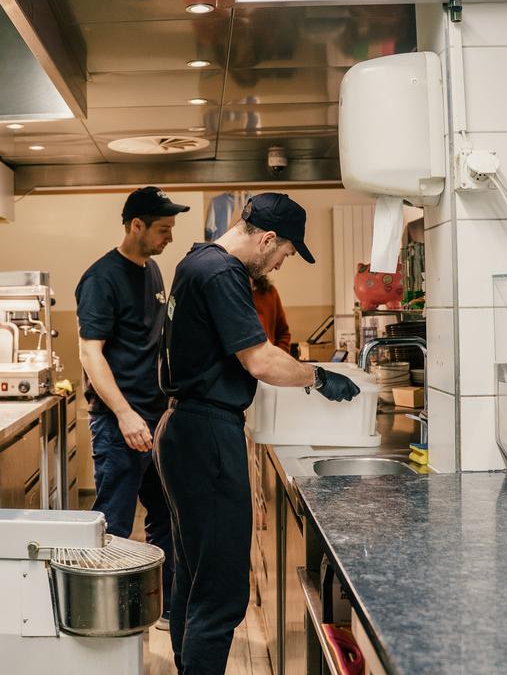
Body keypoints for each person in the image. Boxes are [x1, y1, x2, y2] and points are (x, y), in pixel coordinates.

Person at [155, 193, 360, 674]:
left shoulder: (195, 262)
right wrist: (319, 377)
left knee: (194, 577)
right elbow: (261, 359)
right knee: (223, 591)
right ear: (267, 239)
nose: (283, 263)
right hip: (205, 434)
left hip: (182, 427)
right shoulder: (224, 273)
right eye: (286, 252)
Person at [75, 186, 189, 630]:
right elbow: (90, 354)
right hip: (119, 425)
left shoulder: (153, 270)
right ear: (135, 225)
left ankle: (159, 612)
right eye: (163, 229)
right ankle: (107, 622)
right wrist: (125, 414)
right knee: (113, 527)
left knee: (166, 518)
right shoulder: (101, 279)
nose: (169, 237)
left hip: (157, 421)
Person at [251, 274, 291, 351]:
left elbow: (283, 333)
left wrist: (279, 357)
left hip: (271, 358)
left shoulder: (270, 292)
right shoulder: (233, 294)